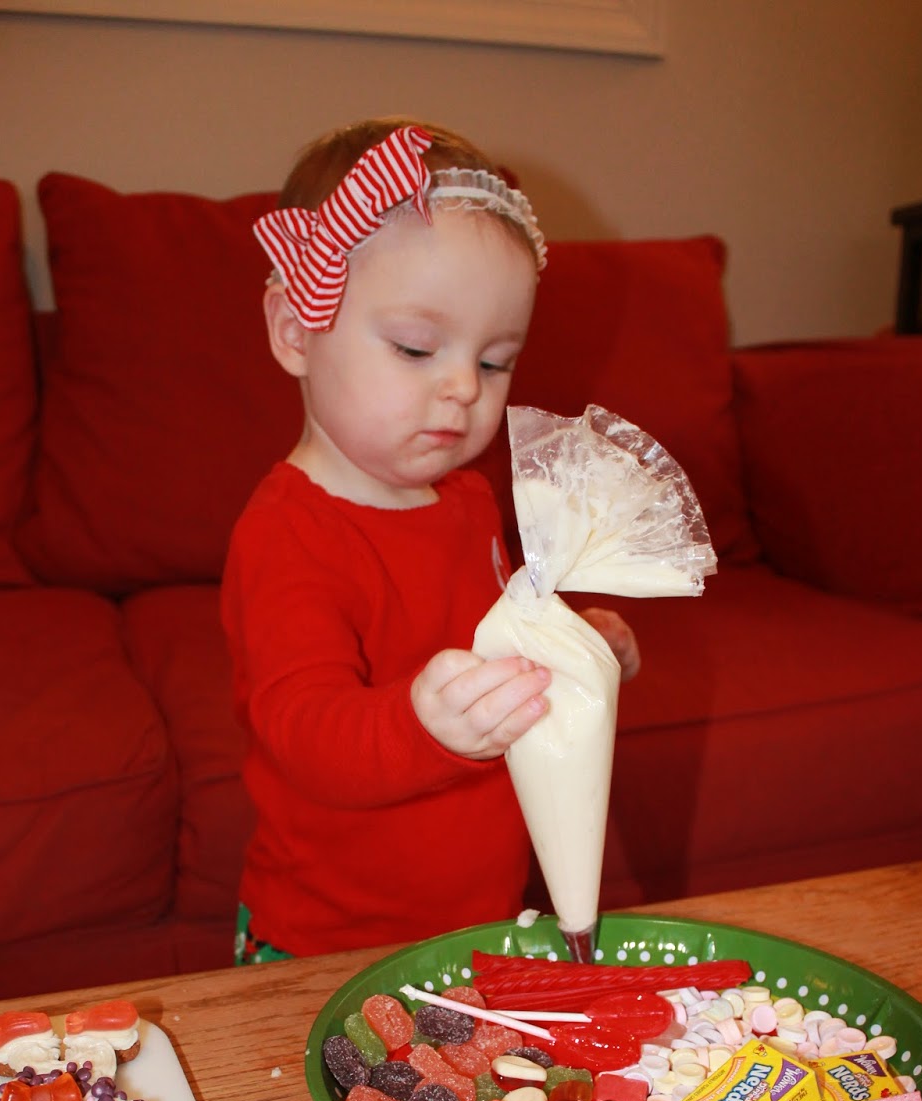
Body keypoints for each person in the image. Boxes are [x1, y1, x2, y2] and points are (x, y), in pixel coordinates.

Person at [221, 118, 639, 963]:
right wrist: (426, 727)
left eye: (495, 362)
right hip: (327, 944)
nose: (461, 388)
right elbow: (301, 731)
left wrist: (572, 643)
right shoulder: (288, 531)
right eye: (417, 348)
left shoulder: (471, 500)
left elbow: (503, 640)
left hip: (484, 919)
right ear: (296, 330)